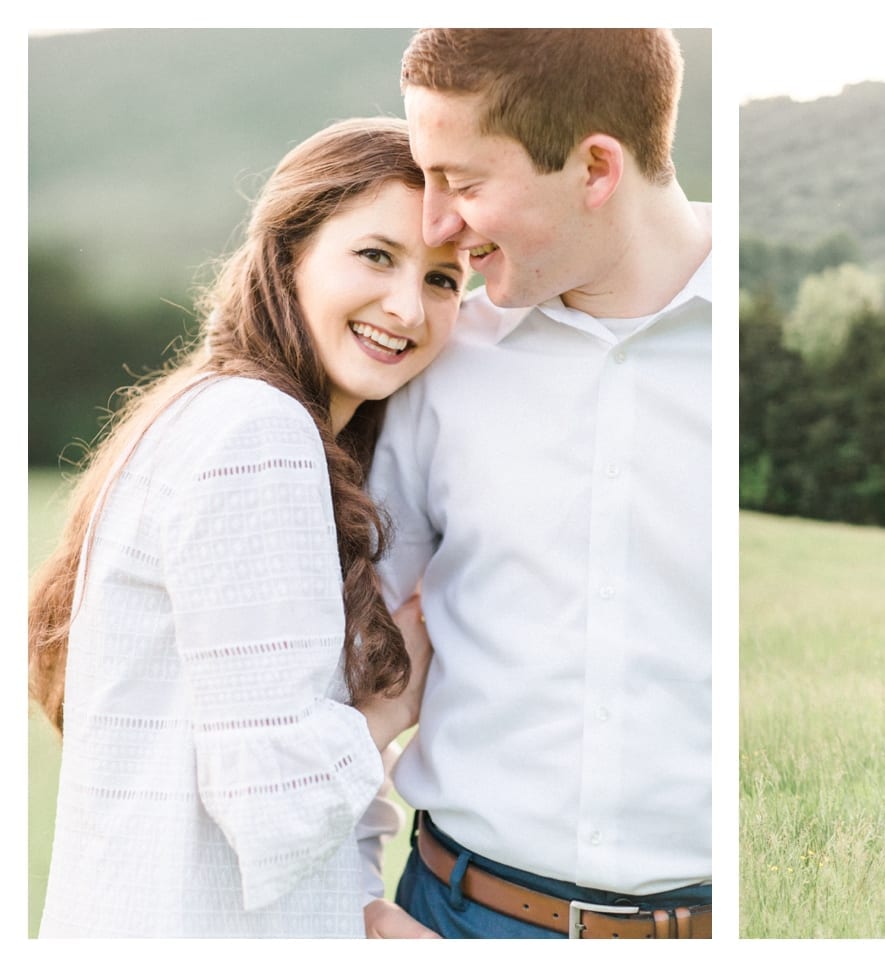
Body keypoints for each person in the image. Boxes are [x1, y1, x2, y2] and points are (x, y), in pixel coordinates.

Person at [29, 117, 466, 937]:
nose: (407, 306)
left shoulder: (227, 413)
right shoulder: (257, 433)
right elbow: (272, 797)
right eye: (376, 255)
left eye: (445, 279)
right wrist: (392, 704)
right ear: (290, 251)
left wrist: (358, 915)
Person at [362, 29, 712, 939]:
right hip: (451, 915)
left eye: (466, 183)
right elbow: (337, 673)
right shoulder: (434, 362)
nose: (436, 223)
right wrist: (348, 905)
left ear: (596, 166)